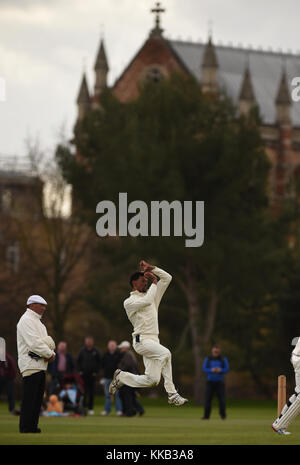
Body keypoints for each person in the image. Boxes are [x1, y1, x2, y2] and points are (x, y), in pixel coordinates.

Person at [109, 260, 187, 406]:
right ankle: (172, 393)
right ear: (134, 283)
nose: (146, 283)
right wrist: (154, 283)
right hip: (141, 341)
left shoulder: (152, 296)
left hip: (153, 341)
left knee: (152, 380)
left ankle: (122, 377)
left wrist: (153, 268)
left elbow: (168, 278)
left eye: (147, 281)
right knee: (166, 354)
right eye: (142, 281)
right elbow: (147, 301)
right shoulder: (129, 302)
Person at [17, 295, 56, 433]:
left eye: (44, 305)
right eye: (41, 305)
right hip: (30, 364)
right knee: (29, 398)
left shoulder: (39, 323)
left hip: (40, 364)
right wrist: (50, 354)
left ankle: (32, 426)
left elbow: (47, 343)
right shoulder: (26, 320)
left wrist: (51, 353)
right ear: (32, 305)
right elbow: (34, 343)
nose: (44, 308)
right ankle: (25, 427)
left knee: (37, 399)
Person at [272, 336, 300, 435]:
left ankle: (278, 423)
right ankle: (279, 425)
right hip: (298, 359)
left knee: (297, 394)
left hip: (296, 357)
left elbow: (295, 341)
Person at [202, 345, 230, 420]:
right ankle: (206, 416)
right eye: (215, 350)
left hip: (220, 382)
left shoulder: (223, 359)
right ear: (212, 350)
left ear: (219, 351)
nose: (216, 352)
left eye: (217, 350)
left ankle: (223, 415)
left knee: (222, 400)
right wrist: (211, 370)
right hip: (210, 382)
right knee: (208, 399)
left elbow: (227, 369)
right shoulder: (208, 359)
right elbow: (204, 369)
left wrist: (220, 370)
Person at [118, 340, 145, 417]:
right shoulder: (130, 354)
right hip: (131, 378)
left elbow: (127, 365)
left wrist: (119, 369)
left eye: (122, 348)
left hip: (128, 378)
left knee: (126, 395)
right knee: (130, 396)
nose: (121, 349)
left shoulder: (127, 355)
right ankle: (138, 410)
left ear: (125, 348)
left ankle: (129, 412)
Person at [77, 336, 101, 415]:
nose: (89, 342)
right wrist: (80, 371)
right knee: (84, 392)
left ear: (92, 342)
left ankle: (90, 408)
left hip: (92, 376)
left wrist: (96, 372)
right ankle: (83, 407)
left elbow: (99, 362)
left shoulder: (96, 351)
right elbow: (78, 362)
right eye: (87, 341)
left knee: (91, 392)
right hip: (83, 375)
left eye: (90, 341)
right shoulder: (82, 351)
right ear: (85, 341)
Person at [100, 340, 122, 416]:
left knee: (117, 395)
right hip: (107, 378)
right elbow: (102, 366)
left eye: (113, 345)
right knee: (107, 395)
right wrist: (102, 377)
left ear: (116, 346)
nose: (112, 346)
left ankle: (118, 410)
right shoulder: (105, 355)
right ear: (108, 346)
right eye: (111, 345)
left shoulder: (119, 355)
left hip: (116, 378)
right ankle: (107, 410)